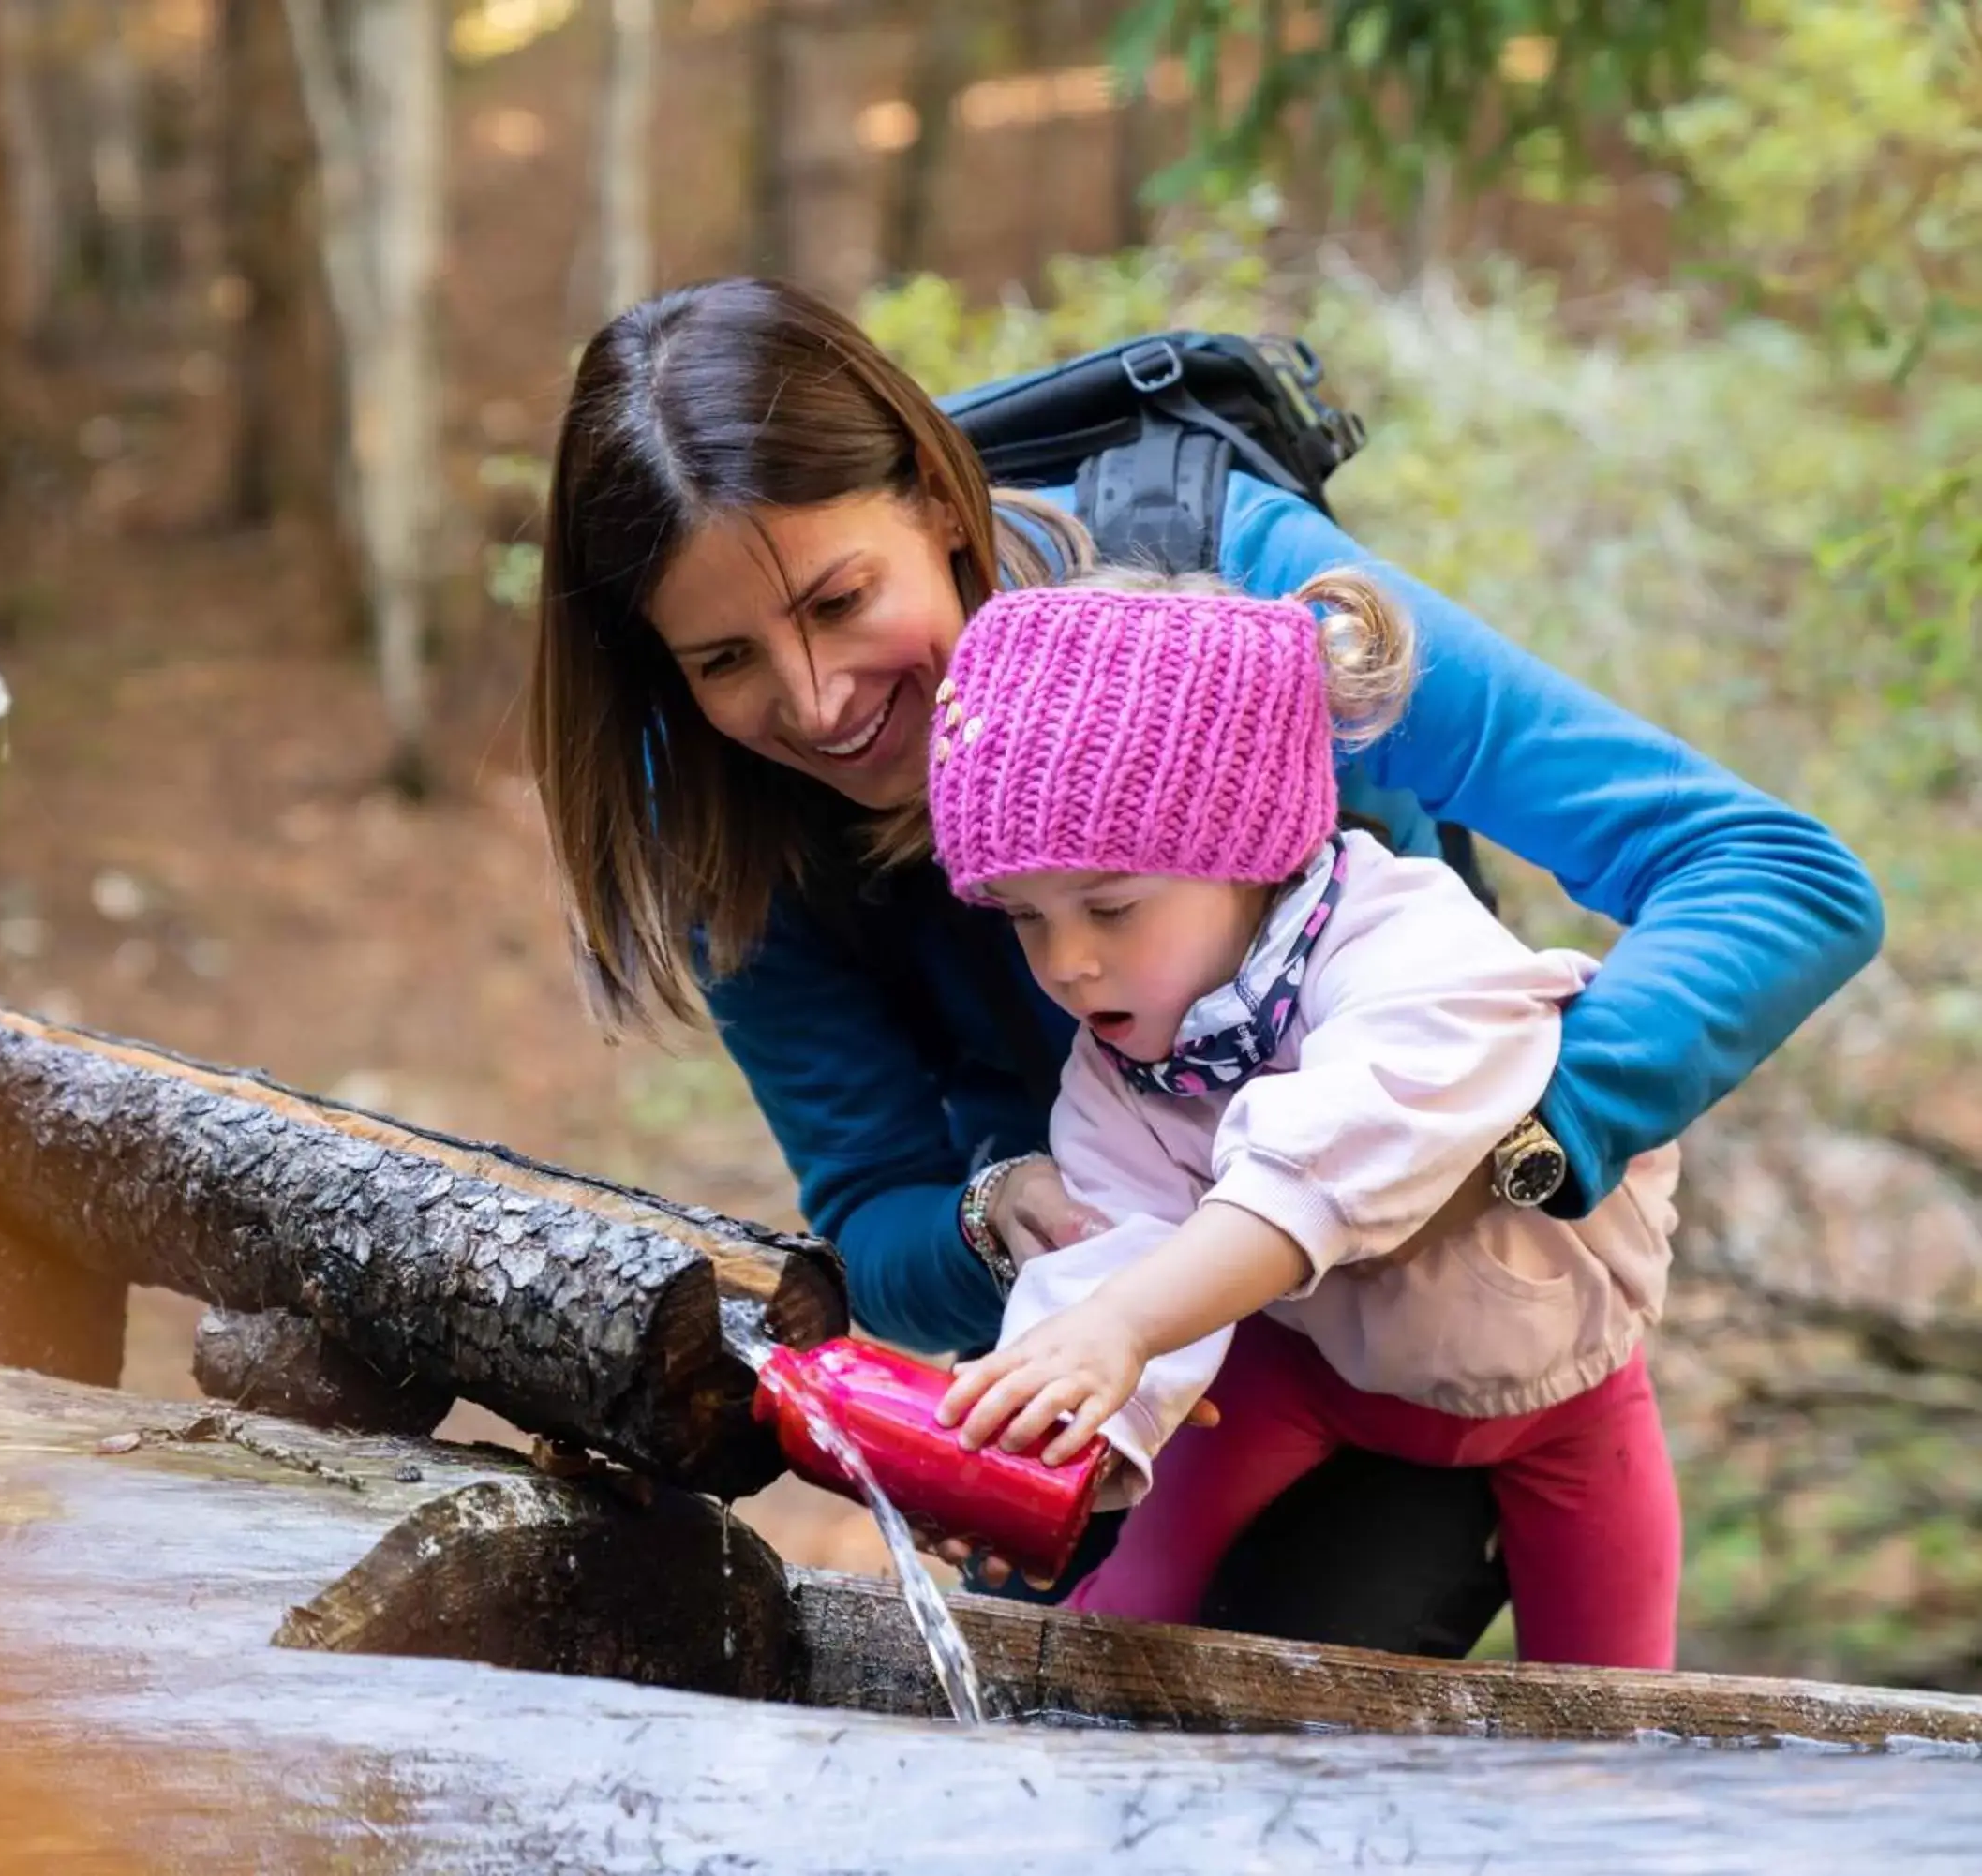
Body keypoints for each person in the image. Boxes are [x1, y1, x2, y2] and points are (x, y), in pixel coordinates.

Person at [526, 276, 1881, 1650]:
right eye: (725, 657)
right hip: (1125, 1363)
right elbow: (876, 1209)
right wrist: (999, 1221)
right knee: (1075, 1719)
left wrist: (1512, 1131)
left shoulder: (1229, 605)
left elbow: (1773, 875)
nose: (812, 701)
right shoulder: (713, 809)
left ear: (941, 502)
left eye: (840, 598)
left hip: (1449, 1334)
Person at [924, 569, 1681, 1666]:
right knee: (1116, 1622)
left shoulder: (1410, 947)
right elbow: (1105, 1259)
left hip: (1567, 1393)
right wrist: (1033, 1455)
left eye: (1110, 906)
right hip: (1306, 1377)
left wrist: (1127, 1325)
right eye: (1025, 920)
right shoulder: (1118, 1068)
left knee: (1623, 1711)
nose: (1069, 963)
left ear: (1249, 853)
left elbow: (1329, 1155)